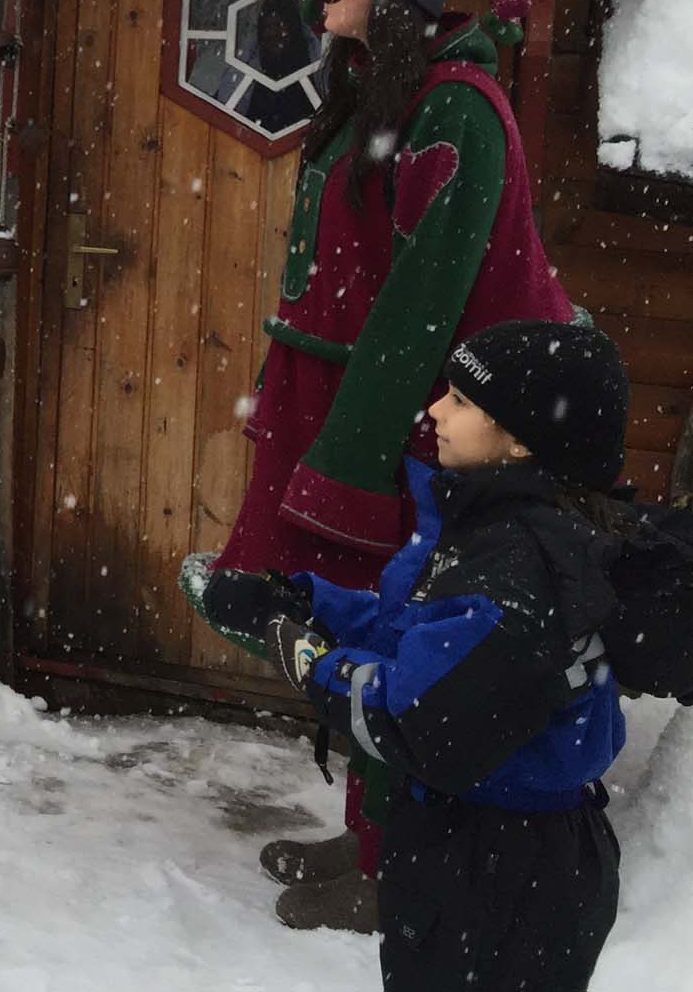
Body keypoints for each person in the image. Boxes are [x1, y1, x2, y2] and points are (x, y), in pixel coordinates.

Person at [185, 0, 577, 932]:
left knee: (400, 623)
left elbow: (416, 309)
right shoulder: (384, 92)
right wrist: (285, 399)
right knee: (356, 609)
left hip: (433, 418)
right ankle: (373, 832)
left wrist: (347, 462)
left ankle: (399, 857)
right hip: (363, 398)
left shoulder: (453, 108)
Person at [206, 319, 630, 992]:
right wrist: (302, 598)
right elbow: (422, 631)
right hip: (493, 842)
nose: (434, 409)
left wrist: (306, 655)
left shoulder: (515, 570)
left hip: (495, 864)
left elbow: (414, 713)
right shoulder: (502, 531)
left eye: (462, 400)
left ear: (520, 441)